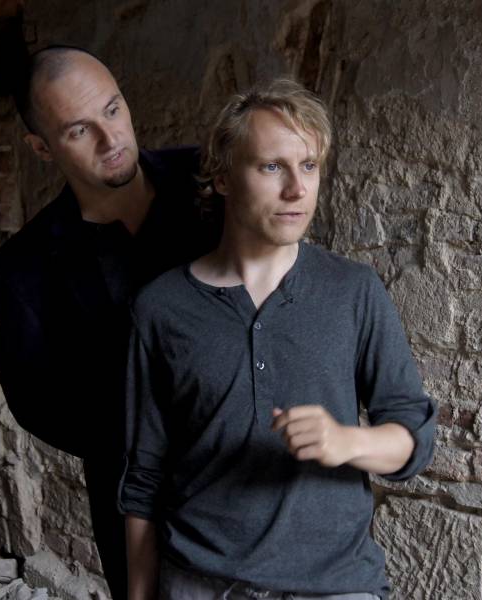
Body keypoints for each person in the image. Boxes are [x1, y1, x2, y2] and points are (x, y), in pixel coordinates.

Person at [120, 79, 437, 600]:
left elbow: (414, 436)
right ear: (223, 178)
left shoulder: (354, 291)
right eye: (272, 167)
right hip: (200, 582)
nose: (297, 189)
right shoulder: (160, 308)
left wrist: (347, 441)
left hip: (335, 586)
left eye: (308, 166)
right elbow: (144, 476)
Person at [0, 45, 220, 600]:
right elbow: (36, 401)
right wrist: (138, 441)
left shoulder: (213, 179)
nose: (110, 138)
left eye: (113, 110)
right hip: (136, 504)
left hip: (254, 481)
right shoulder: (25, 267)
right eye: (79, 130)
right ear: (41, 148)